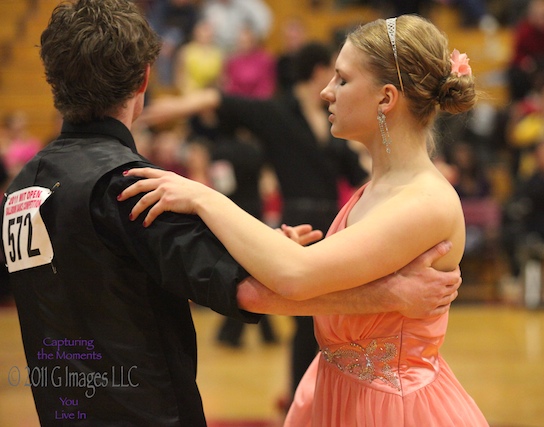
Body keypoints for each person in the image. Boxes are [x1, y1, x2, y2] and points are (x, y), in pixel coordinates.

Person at [1, 2, 462, 425]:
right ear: (144, 79)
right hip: (143, 411)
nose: (326, 92)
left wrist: (255, 235)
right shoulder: (131, 186)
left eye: (341, 79)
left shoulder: (24, 188)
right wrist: (392, 296)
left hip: (61, 407)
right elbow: (259, 290)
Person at [121, 14, 488, 426]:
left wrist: (202, 197)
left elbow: (295, 277)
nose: (327, 92)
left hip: (391, 410)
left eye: (343, 80)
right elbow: (298, 282)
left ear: (386, 99)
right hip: (338, 392)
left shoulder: (426, 202)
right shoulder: (377, 187)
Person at [135, 41, 372, 411]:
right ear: (318, 72)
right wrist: (174, 107)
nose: (335, 87)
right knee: (306, 321)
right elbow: (221, 101)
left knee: (333, 320)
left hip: (336, 225)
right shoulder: (278, 113)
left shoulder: (331, 123)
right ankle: (300, 398)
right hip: (301, 222)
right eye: (334, 75)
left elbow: (358, 173)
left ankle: (325, 395)